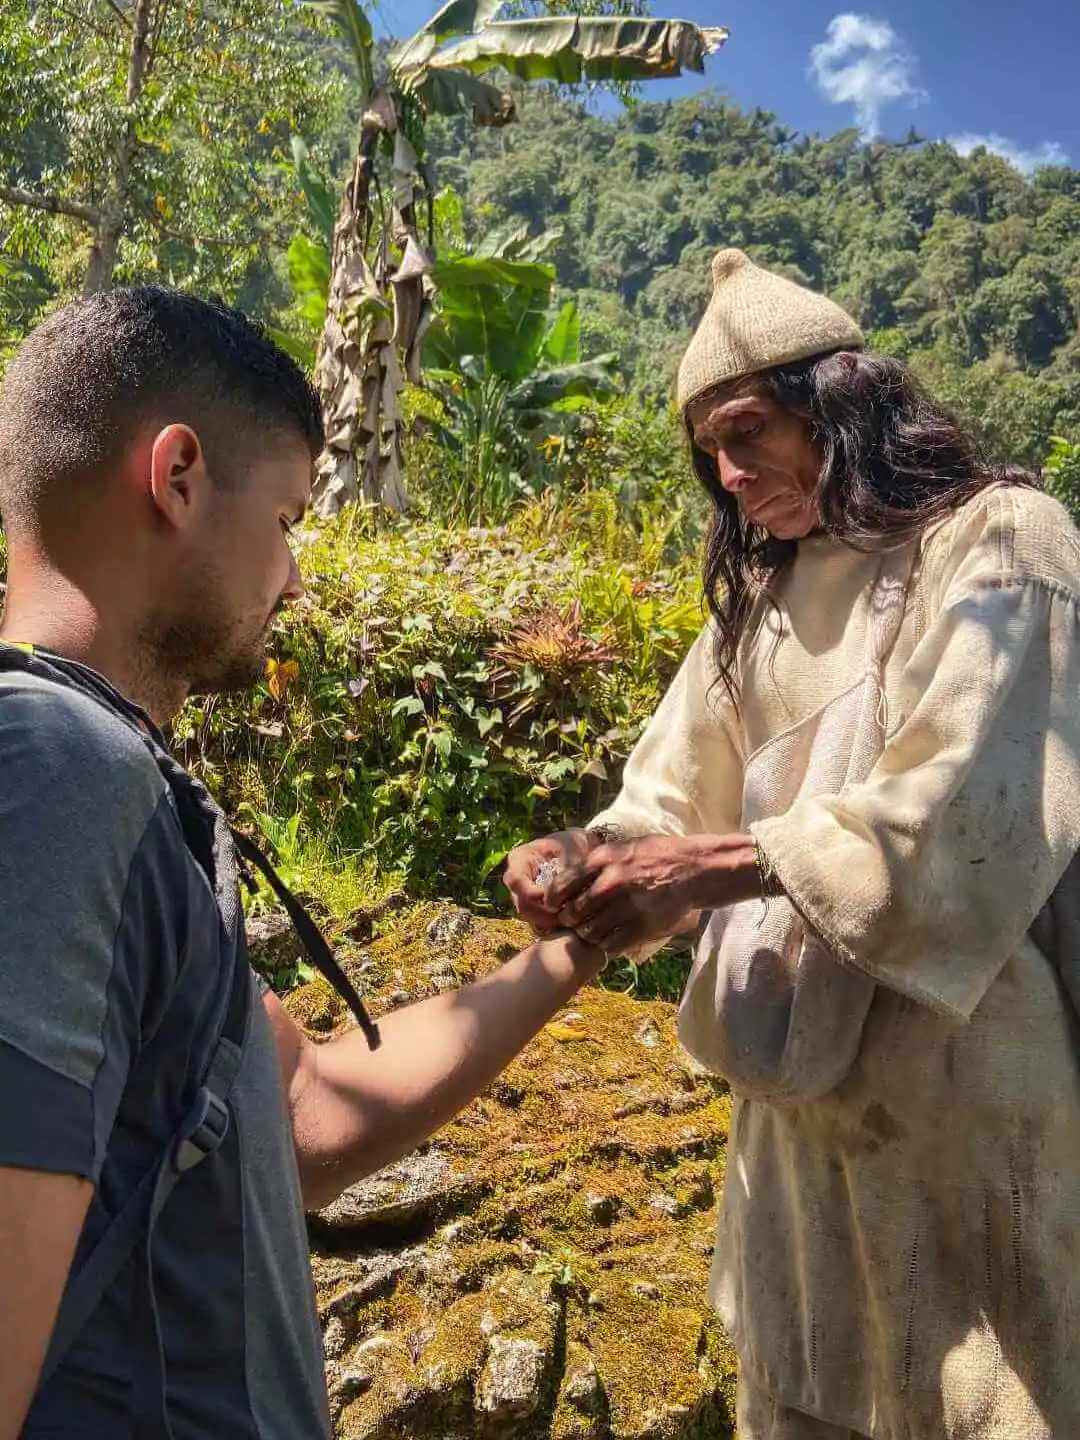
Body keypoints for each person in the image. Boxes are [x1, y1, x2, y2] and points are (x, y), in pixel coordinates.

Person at [0, 287, 605, 1439]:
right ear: (177, 477)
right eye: (285, 521)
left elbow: (307, 1116)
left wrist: (583, 945)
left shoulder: (117, 791)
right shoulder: (53, 770)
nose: (295, 578)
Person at [506, 249, 1080, 1440]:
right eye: (709, 453)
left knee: (987, 1394)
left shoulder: (1003, 542)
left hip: (965, 1102)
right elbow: (666, 800)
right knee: (806, 1383)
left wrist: (720, 865)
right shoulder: (758, 611)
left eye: (749, 430)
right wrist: (585, 853)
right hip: (795, 1119)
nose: (730, 473)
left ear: (844, 398)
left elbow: (969, 807)